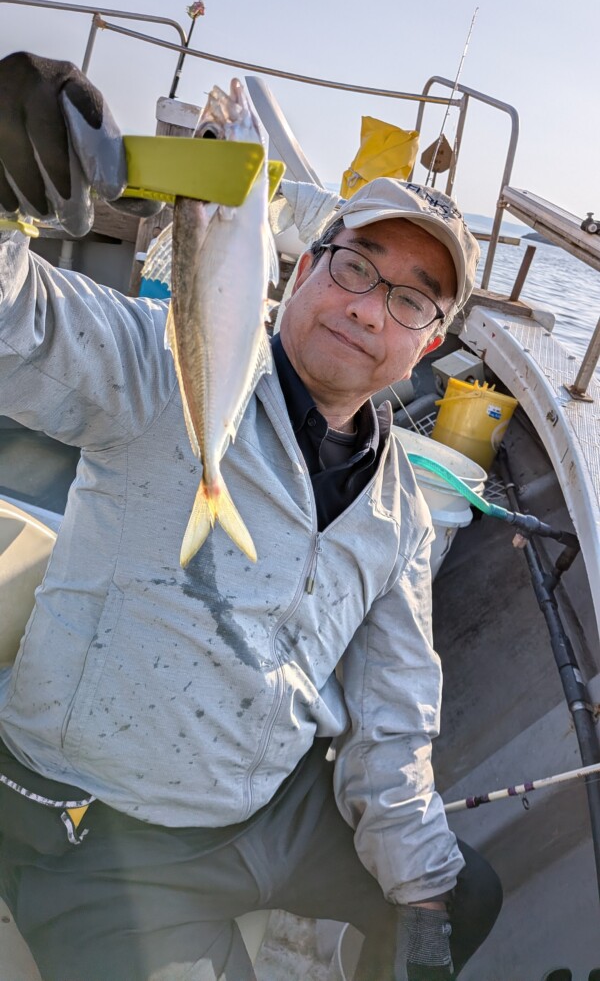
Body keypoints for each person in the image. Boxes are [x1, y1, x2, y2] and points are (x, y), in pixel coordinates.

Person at [0, 52, 501, 981]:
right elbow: (16, 322)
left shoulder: (400, 509)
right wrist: (4, 195)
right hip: (104, 832)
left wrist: (424, 894)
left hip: (267, 808)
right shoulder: (158, 365)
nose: (366, 307)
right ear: (300, 265)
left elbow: (393, 721)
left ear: (428, 341)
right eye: (355, 265)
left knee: (465, 893)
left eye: (408, 299)